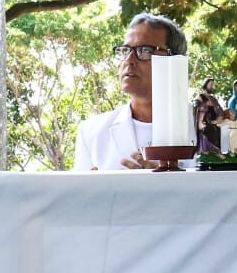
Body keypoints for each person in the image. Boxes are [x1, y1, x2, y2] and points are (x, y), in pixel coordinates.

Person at [73, 12, 187, 170]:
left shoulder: (206, 128)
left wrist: (165, 182)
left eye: (145, 51)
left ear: (174, 61)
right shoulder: (92, 132)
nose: (129, 61)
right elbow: (81, 194)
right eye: (125, 51)